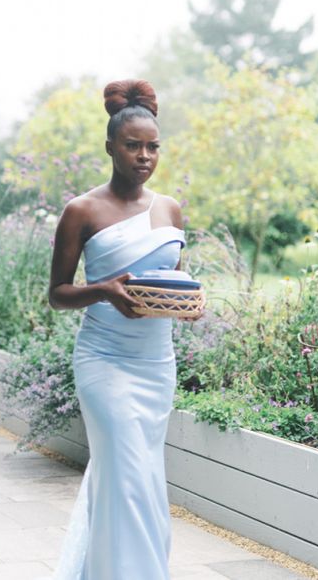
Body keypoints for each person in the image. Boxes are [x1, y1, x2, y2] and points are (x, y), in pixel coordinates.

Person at [48, 79, 191, 580]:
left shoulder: (170, 208)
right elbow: (58, 294)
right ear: (110, 147)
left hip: (156, 364)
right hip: (104, 361)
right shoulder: (82, 211)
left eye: (153, 146)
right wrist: (104, 290)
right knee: (128, 474)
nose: (145, 155)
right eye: (133, 145)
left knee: (142, 479)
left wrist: (187, 303)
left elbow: (171, 281)